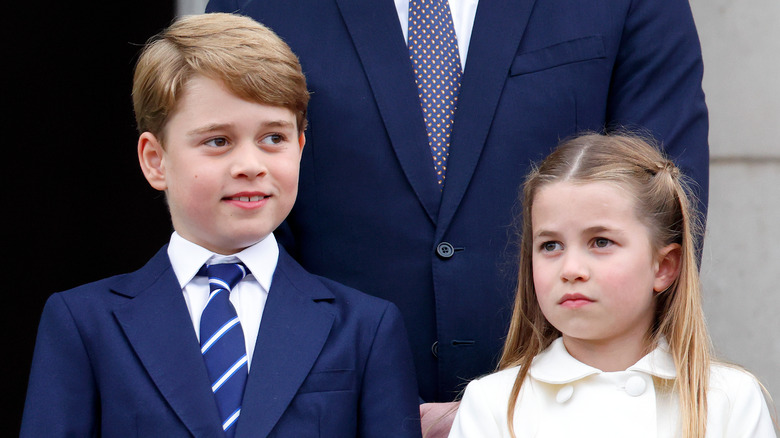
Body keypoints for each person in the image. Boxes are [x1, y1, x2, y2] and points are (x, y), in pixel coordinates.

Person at [205, 0, 710, 433]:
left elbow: (660, 210)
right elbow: (241, 234)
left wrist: (514, 407)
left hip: (579, 415)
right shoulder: (259, 5)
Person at [20, 13, 421, 438]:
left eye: (273, 138)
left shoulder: (366, 327)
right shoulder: (84, 323)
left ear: (301, 147)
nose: (251, 165)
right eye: (218, 141)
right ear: (155, 160)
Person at [448, 133, 777, 437]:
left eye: (600, 242)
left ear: (663, 266)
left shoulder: (729, 400)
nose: (571, 269)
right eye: (550, 245)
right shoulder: (493, 405)